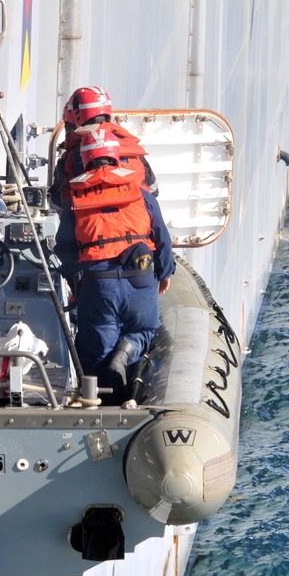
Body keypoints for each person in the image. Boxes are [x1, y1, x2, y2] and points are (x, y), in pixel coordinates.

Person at [54, 127, 174, 404]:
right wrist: (165, 273)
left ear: (85, 159)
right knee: (143, 330)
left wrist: (77, 281)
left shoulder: (77, 198)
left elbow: (64, 248)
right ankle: (127, 352)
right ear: (116, 157)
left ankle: (104, 405)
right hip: (141, 276)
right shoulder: (141, 193)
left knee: (97, 350)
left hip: (99, 283)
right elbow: (162, 237)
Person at [49, 85, 156, 210]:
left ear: (73, 116)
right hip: (137, 222)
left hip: (92, 226)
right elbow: (153, 190)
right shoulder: (132, 149)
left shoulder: (75, 155)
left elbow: (58, 201)